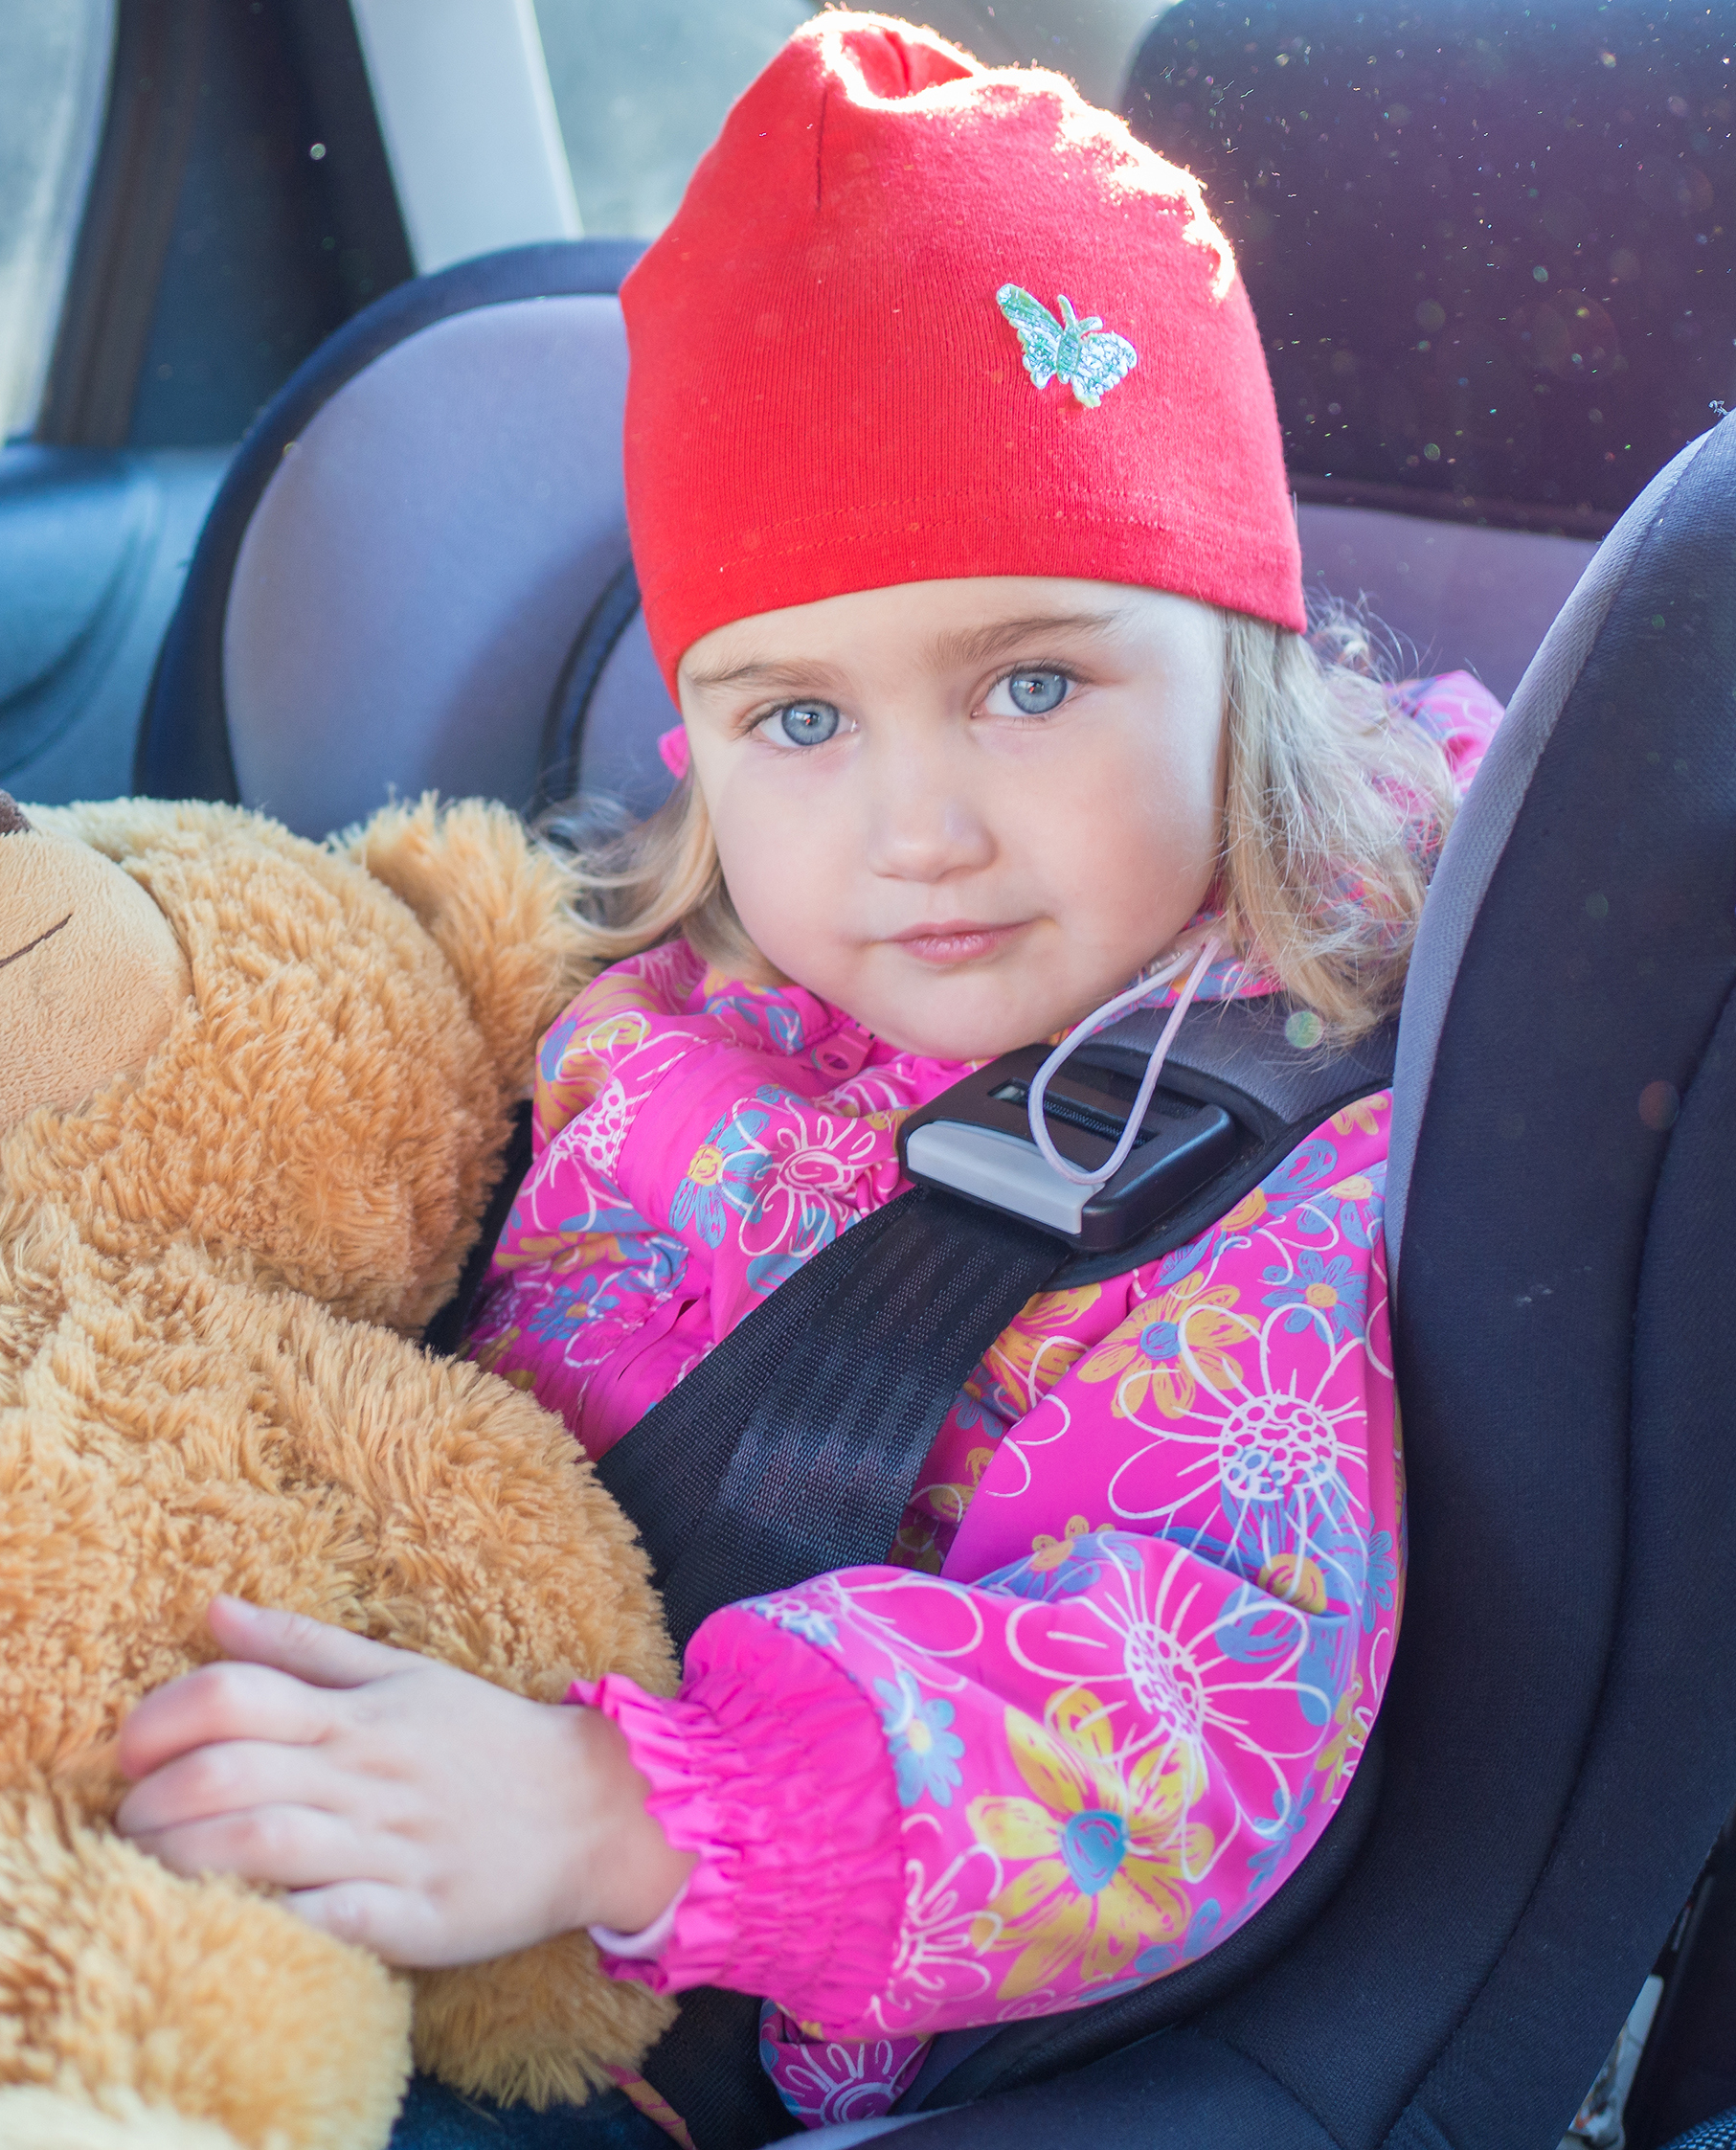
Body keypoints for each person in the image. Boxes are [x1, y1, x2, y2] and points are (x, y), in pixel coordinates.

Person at [114, 15, 1499, 2143]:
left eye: (1028, 682)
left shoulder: (1280, 1183)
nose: (914, 828)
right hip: (371, 1801)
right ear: (692, 735)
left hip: (723, 2018)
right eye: (797, 721)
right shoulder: (647, 1001)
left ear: (1241, 679)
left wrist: (618, 1810)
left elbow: (1190, 1706)